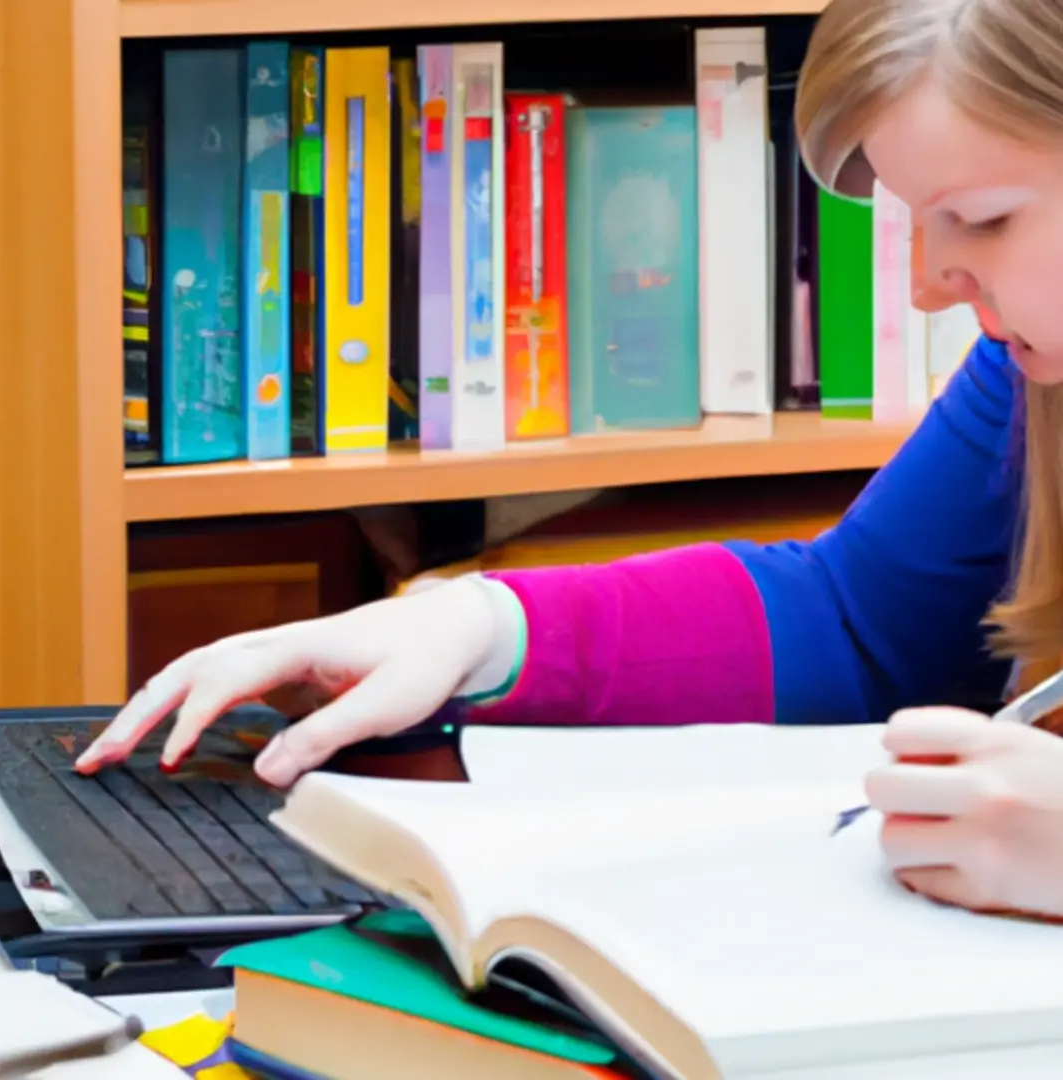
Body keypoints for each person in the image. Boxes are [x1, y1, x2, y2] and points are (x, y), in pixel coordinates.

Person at [78, 0, 1063, 921]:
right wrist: (475, 625)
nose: (930, 285)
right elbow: (859, 625)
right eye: (918, 217)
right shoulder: (1028, 382)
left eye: (982, 217)